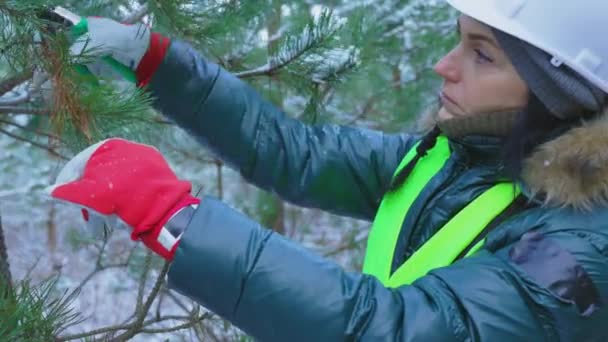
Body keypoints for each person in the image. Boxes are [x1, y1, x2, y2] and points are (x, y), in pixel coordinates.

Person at [48, 0, 608, 340]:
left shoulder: (578, 246)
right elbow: (294, 152)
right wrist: (157, 63)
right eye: (458, 42)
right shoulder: (452, 161)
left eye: (481, 54)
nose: (445, 66)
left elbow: (396, 329)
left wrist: (173, 216)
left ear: (559, 94)